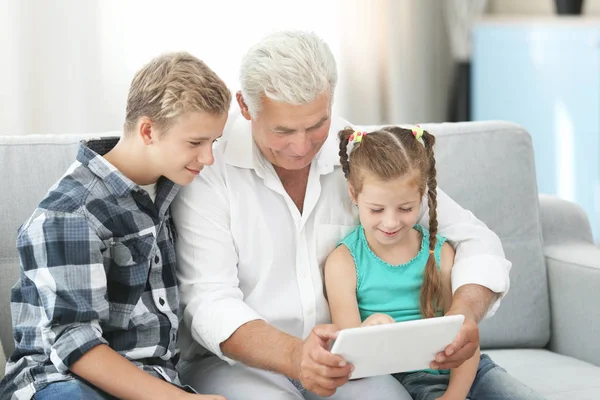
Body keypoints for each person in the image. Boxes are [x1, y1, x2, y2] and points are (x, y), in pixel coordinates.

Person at [172, 31, 511, 399]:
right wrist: (294, 354)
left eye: (316, 125)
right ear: (245, 106)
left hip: (347, 363)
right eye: (283, 130)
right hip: (239, 365)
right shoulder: (208, 168)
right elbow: (209, 300)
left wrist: (463, 314)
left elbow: (475, 240)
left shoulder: (362, 154)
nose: (301, 147)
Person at [0, 52, 230, 400]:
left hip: (151, 380)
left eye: (213, 142)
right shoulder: (71, 212)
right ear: (148, 130)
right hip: (63, 381)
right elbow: (75, 345)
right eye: (195, 142)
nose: (209, 158)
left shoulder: (174, 189)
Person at [325, 126, 545, 400]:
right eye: (377, 209)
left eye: (406, 208)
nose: (391, 222)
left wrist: (454, 396)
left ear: (424, 197)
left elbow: (464, 333)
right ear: (353, 194)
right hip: (405, 378)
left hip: (468, 372)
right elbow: (350, 356)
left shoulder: (440, 253)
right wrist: (369, 331)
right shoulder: (343, 263)